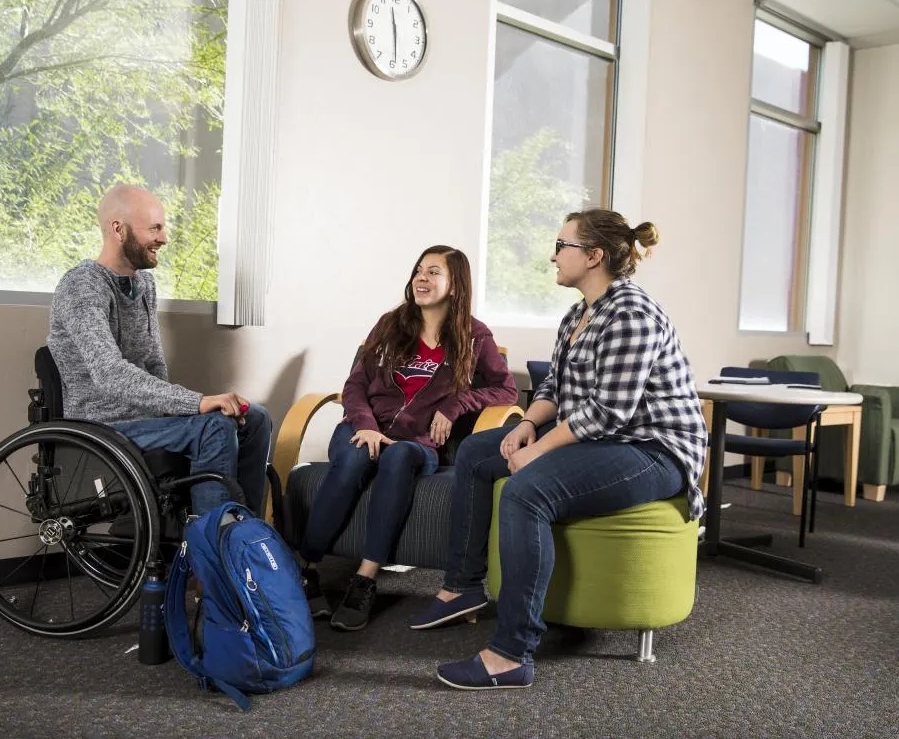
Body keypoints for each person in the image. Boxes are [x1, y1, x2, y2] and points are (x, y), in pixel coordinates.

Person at [410, 209, 708, 690]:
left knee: (528, 491)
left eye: (562, 245)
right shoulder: (578, 313)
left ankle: (511, 654)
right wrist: (528, 423)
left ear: (593, 256)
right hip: (606, 436)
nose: (553, 254)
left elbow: (609, 411)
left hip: (655, 448)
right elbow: (555, 386)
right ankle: (462, 587)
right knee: (476, 454)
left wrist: (540, 450)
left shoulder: (632, 314)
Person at [297, 245, 518, 632]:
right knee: (353, 458)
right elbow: (356, 384)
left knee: (399, 457)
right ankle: (307, 570)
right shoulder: (390, 324)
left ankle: (364, 579)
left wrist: (456, 405)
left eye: (434, 272)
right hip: (362, 426)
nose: (421, 278)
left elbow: (506, 390)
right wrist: (364, 424)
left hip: (417, 443)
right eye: (419, 270)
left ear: (455, 283)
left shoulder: (473, 335)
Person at [47, 183, 273, 515]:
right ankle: (209, 554)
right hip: (103, 427)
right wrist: (197, 404)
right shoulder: (82, 286)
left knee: (253, 417)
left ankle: (244, 537)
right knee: (214, 425)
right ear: (118, 230)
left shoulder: (143, 284)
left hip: (147, 422)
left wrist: (187, 407)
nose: (164, 238)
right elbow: (110, 374)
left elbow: (154, 365)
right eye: (154, 228)